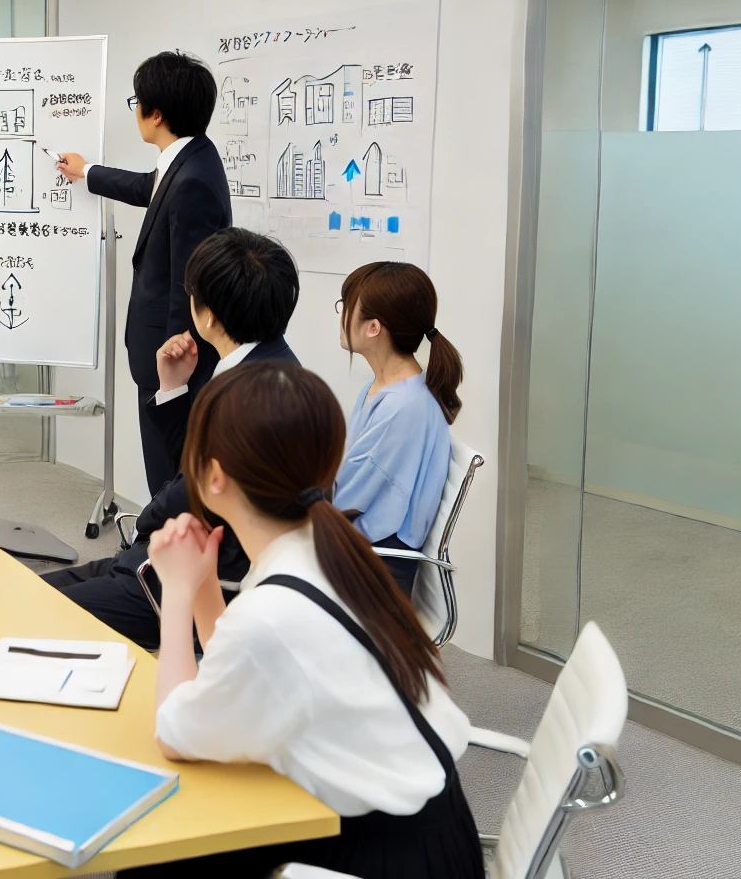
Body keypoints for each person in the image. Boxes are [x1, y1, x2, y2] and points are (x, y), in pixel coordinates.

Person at [125, 360, 479, 879]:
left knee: (159, 847)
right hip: (432, 834)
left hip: (387, 857)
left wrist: (175, 594)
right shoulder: (330, 550)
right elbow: (249, 662)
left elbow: (174, 735)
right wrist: (201, 584)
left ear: (213, 475)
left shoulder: (275, 603)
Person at [42, 228, 298, 648]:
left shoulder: (252, 395)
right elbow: (195, 467)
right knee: (22, 586)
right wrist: (174, 389)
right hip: (178, 559)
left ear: (207, 315)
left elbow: (188, 492)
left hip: (194, 580)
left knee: (31, 609)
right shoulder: (268, 367)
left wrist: (143, 527)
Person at [57, 51, 229, 493]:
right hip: (166, 357)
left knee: (168, 473)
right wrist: (87, 172)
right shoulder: (191, 159)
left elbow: (187, 286)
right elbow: (146, 188)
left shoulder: (191, 179)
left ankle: (160, 554)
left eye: (137, 101)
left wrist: (172, 366)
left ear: (155, 114)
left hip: (170, 361)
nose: (135, 111)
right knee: (169, 468)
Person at [335, 261, 463, 596]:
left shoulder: (402, 406)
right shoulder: (383, 387)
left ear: (373, 327)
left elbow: (345, 498)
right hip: (365, 548)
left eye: (347, 307)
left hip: (375, 568)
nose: (342, 315)